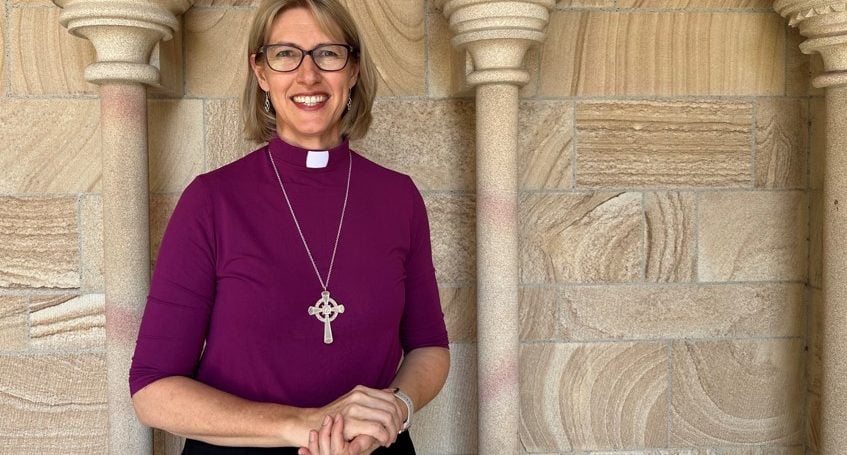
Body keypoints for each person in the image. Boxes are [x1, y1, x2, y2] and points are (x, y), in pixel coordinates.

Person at [128, 0, 451, 453]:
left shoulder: (399, 197)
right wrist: (306, 426)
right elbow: (153, 391)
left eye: (328, 53)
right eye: (285, 54)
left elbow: (429, 347)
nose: (308, 76)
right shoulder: (212, 200)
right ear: (260, 72)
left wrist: (397, 407)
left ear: (354, 70)